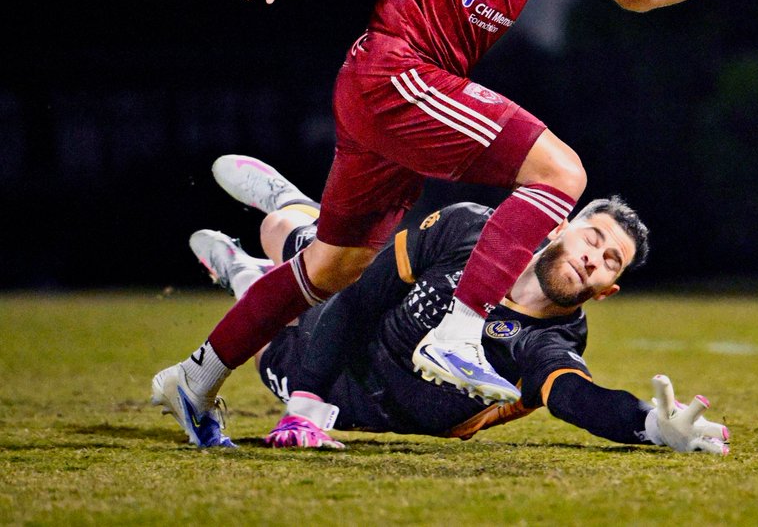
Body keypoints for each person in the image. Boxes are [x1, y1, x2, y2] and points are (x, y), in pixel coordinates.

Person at [151, 0, 758, 447]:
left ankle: (194, 381)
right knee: (561, 172)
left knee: (330, 268)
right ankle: (461, 330)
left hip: (402, 94)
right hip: (397, 70)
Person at [179, 154, 730, 454]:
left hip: (366, 409)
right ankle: (293, 213)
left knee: (263, 334)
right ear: (559, 228)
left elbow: (576, 398)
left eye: (611, 260)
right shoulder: (469, 229)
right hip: (354, 332)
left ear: (607, 290)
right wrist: (304, 405)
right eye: (593, 239)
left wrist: (649, 426)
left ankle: (243, 272)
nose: (594, 258)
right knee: (304, 251)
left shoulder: (551, 340)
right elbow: (361, 298)